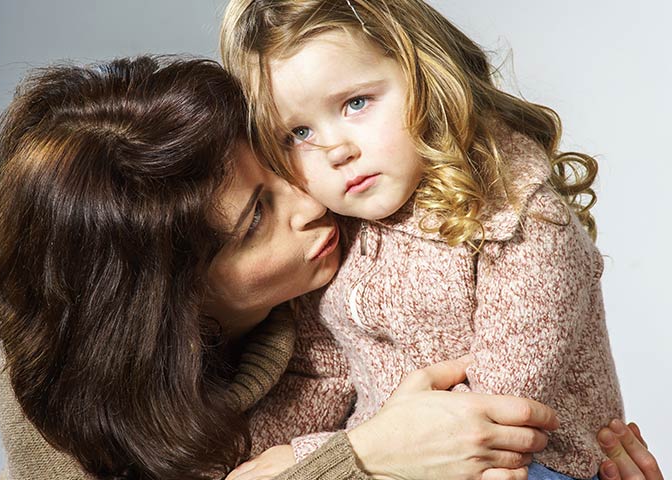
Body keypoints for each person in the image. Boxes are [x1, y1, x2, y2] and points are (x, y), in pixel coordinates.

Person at [0, 56, 661, 480]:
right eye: (257, 219)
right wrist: (361, 457)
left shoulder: (356, 254)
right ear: (170, 302)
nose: (312, 200)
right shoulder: (56, 387)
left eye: (278, 158)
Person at [220, 1, 635, 479]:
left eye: (356, 103)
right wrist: (241, 463)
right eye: (298, 132)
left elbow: (498, 404)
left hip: (527, 460)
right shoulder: (340, 234)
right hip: (402, 463)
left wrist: (312, 457)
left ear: (426, 78)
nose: (337, 150)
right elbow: (321, 377)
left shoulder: (520, 217)